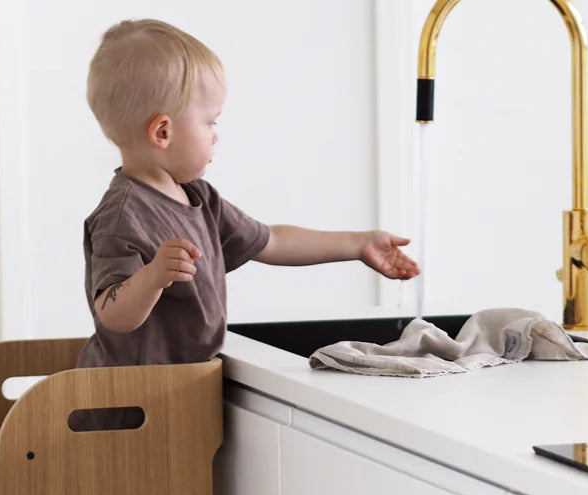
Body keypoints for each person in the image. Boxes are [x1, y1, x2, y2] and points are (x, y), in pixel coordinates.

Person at [78, 18, 419, 369]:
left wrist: (357, 245)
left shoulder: (199, 198)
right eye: (211, 121)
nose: (215, 135)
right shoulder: (122, 216)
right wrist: (151, 278)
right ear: (163, 132)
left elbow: (271, 241)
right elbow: (111, 314)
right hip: (126, 399)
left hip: (178, 391)